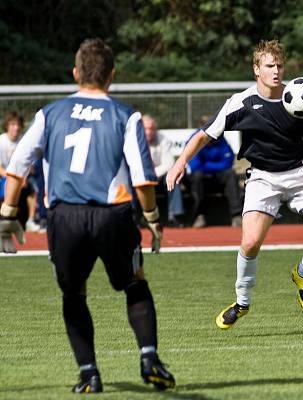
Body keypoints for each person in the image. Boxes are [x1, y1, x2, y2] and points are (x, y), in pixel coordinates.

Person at [166, 39, 303, 330]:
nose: (277, 71)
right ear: (256, 69)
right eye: (270, 66)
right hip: (263, 178)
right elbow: (204, 136)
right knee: (250, 241)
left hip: (301, 174)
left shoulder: (300, 98)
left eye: (280, 65)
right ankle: (242, 302)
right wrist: (180, 162)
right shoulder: (240, 103)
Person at [0, 38, 175, 392]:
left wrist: (7, 215)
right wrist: (153, 217)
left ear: (76, 72)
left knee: (73, 293)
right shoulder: (126, 115)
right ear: (112, 74)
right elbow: (143, 178)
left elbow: (18, 166)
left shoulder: (49, 113)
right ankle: (149, 356)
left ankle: (89, 373)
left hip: (64, 218)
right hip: (113, 217)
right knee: (134, 282)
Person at [186, 134, 243, 228]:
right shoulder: (194, 139)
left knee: (230, 174)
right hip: (200, 180)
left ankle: (236, 215)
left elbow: (228, 162)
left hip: (217, 178)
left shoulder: (220, 139)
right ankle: (199, 216)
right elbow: (194, 166)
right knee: (197, 176)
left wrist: (207, 165)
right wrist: (216, 165)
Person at [0, 111, 42, 232]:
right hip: (5, 176)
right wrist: (12, 178)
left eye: (18, 125)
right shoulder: (1, 141)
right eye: (13, 124)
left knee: (33, 190)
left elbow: (29, 165)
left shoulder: (24, 140)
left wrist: (23, 177)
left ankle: (31, 220)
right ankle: (4, 220)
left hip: (21, 177)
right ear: (7, 126)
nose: (16, 128)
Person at [142, 114, 185, 227]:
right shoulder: (133, 139)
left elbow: (168, 163)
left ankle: (174, 216)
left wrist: (151, 175)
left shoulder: (163, 139)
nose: (148, 131)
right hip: (139, 178)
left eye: (151, 128)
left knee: (173, 179)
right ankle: (134, 218)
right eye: (145, 128)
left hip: (158, 178)